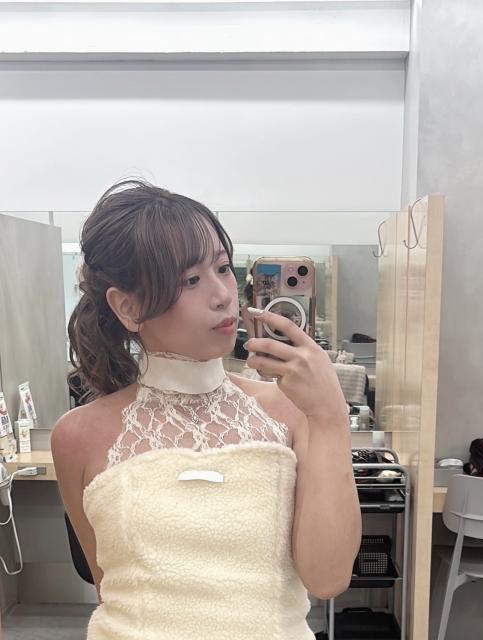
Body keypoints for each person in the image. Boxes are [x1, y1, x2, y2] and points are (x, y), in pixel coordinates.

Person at [50, 179, 361, 640]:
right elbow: (110, 587)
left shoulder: (293, 412)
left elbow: (328, 578)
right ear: (128, 306)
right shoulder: (78, 436)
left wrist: (331, 416)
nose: (223, 294)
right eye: (190, 280)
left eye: (222, 267)